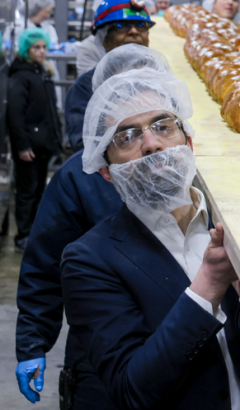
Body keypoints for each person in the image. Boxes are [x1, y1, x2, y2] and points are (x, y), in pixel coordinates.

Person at [61, 68, 240, 409]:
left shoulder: (237, 227)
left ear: (188, 143)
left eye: (163, 126)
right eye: (127, 137)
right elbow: (132, 391)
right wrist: (209, 284)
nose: (151, 144)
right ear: (106, 171)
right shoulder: (90, 261)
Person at [14, 45, 169, 407]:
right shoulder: (78, 178)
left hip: (180, 337)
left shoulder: (186, 166)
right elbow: (45, 264)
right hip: (101, 344)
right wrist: (33, 341)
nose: (149, 143)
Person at [64, 0, 155, 151]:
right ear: (104, 40)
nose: (134, 31)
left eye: (141, 25)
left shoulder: (158, 82)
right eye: (122, 26)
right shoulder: (85, 88)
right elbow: (83, 145)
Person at [7, 28, 62, 252]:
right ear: (26, 50)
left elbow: (49, 111)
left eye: (44, 47)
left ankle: (35, 232)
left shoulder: (43, 72)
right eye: (36, 47)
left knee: (39, 190)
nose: (41, 51)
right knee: (26, 191)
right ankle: (23, 235)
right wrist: (22, 145)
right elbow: (15, 114)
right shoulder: (21, 76)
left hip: (43, 143)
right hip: (29, 145)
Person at [77, 0, 140, 73]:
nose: (133, 31)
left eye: (139, 25)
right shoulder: (89, 48)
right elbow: (91, 80)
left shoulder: (142, 42)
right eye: (121, 25)